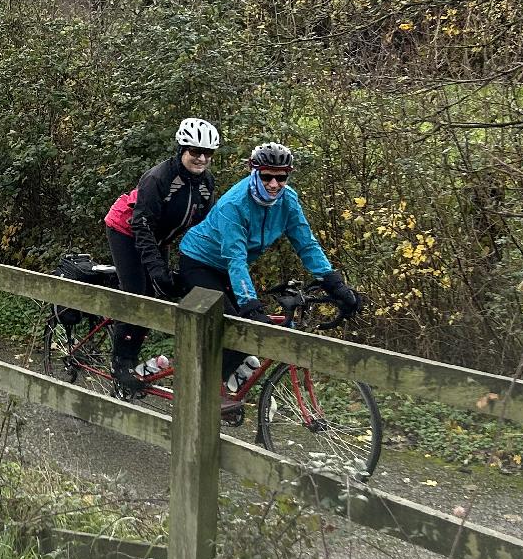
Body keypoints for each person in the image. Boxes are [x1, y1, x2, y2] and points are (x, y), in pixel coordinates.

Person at [177, 141, 363, 405]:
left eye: (281, 177)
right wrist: (251, 306)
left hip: (229, 266)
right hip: (199, 261)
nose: (274, 184)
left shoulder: (287, 201)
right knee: (230, 323)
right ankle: (201, 394)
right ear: (254, 172)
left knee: (238, 326)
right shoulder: (235, 204)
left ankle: (222, 385)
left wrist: (334, 284)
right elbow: (235, 259)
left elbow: (306, 243)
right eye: (266, 176)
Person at [103, 117, 219, 396]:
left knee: (158, 295)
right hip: (126, 229)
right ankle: (122, 362)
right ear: (182, 149)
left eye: (208, 153)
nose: (201, 158)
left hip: (159, 238)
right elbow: (141, 225)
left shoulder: (206, 183)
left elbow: (202, 229)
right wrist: (156, 270)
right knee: (138, 294)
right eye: (194, 151)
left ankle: (135, 361)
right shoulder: (159, 178)